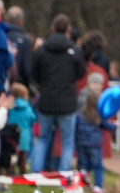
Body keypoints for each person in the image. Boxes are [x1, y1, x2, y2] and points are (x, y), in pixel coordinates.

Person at [30, 14, 85, 174]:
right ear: (68, 30)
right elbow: (81, 73)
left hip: (46, 100)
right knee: (67, 141)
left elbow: (35, 73)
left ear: (52, 28)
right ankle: (64, 176)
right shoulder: (74, 51)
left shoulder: (42, 50)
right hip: (67, 103)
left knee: (43, 138)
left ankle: (35, 174)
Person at [75, 88, 112, 193]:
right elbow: (107, 126)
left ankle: (80, 181)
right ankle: (98, 187)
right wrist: (114, 126)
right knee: (97, 166)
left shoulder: (79, 115)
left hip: (81, 143)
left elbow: (75, 128)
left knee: (82, 163)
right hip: (95, 144)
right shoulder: (99, 116)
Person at [7, 83, 36, 175]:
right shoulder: (28, 108)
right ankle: (22, 173)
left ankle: (11, 171)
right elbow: (32, 119)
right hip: (24, 135)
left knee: (12, 155)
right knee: (23, 157)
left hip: (12, 135)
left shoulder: (10, 107)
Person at [4, 6, 33, 88]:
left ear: (6, 19)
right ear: (21, 21)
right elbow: (27, 69)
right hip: (18, 87)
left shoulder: (0, 37)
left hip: (1, 84)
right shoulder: (25, 41)